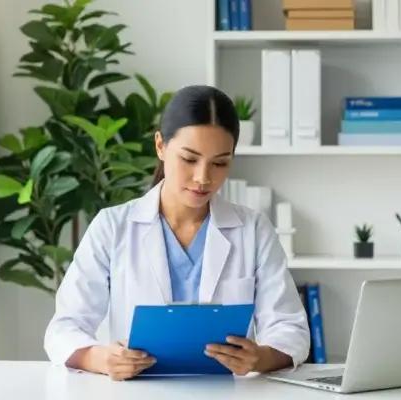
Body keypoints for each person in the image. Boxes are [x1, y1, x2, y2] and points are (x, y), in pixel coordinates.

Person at [44, 85, 309, 381]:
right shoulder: (112, 227)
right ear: (160, 146)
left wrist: (260, 357)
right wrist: (101, 359)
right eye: (189, 159)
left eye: (220, 163)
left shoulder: (254, 230)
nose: (203, 178)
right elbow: (64, 328)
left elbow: (291, 330)